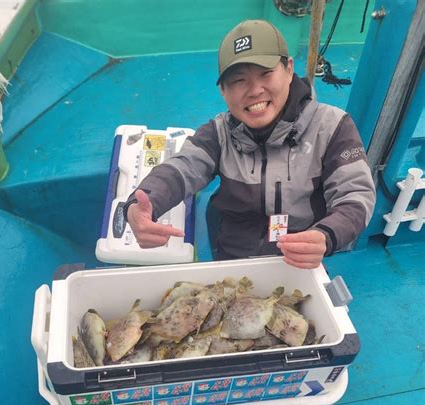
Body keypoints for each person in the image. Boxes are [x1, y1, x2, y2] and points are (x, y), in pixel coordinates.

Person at [123, 19, 376, 269]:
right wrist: (139, 207)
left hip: (299, 261)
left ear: (288, 70)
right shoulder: (217, 133)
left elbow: (356, 196)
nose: (254, 90)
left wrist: (325, 235)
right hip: (232, 258)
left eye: (265, 73)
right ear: (223, 91)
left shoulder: (332, 126)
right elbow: (181, 168)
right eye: (238, 80)